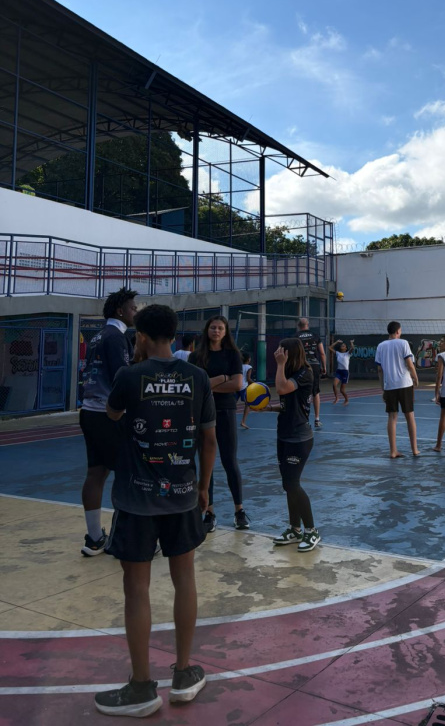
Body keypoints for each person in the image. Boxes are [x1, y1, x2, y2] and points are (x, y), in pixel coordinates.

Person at [94, 303, 216, 717]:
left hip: (135, 497)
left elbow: (111, 413)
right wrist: (202, 488)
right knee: (185, 580)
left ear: (141, 336)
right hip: (182, 494)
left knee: (137, 587)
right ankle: (183, 673)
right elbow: (209, 440)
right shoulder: (197, 378)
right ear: (174, 332)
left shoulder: (129, 375)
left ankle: (142, 686)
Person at [79, 287, 138, 557]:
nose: (135, 311)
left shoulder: (97, 336)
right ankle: (122, 539)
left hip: (88, 412)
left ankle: (94, 538)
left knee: (97, 472)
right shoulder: (117, 338)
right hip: (107, 414)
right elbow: (121, 379)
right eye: (133, 308)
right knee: (127, 474)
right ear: (120, 311)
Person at [189, 316, 247, 532]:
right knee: (207, 463)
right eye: (213, 327)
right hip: (202, 414)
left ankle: (239, 510)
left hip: (225, 411)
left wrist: (208, 386)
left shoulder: (233, 355)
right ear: (207, 330)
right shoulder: (196, 356)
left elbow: (237, 384)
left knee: (230, 460)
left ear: (225, 332)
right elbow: (192, 385)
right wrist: (221, 379)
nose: (216, 331)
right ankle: (210, 512)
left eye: (220, 328)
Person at [270, 338, 321, 552]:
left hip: (299, 438)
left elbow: (281, 389)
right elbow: (287, 403)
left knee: (292, 483)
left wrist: (280, 365)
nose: (278, 353)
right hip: (284, 435)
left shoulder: (304, 373)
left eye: (282, 351)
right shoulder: (291, 373)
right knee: (287, 484)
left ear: (291, 353)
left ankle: (312, 531)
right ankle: (295, 529)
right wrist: (267, 408)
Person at [375, 321, 420, 458]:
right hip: (405, 384)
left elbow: (379, 370)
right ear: (398, 331)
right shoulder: (403, 343)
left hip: (390, 386)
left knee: (392, 418)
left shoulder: (381, 346)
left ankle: (393, 451)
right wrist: (416, 378)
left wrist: (383, 388)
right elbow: (409, 364)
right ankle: (414, 449)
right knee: (410, 416)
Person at [296, 317, 327, 429]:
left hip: (301, 365)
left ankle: (303, 419)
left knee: (300, 391)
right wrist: (324, 367)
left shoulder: (296, 337)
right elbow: (322, 353)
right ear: (307, 325)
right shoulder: (315, 335)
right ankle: (317, 419)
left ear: (298, 326)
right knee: (315, 392)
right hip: (314, 365)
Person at [330, 338, 355, 405]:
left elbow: (352, 348)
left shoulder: (347, 354)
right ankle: (337, 398)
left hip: (345, 372)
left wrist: (351, 342)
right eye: (341, 345)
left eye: (344, 345)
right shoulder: (337, 353)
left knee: (342, 390)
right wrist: (336, 342)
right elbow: (330, 347)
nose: (342, 346)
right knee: (334, 384)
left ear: (346, 348)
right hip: (339, 371)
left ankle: (346, 400)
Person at [239, 352, 254, 428]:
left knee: (231, 404)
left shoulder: (239, 366)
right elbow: (248, 379)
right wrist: (256, 384)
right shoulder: (249, 367)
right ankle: (243, 422)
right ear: (249, 359)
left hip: (236, 386)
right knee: (248, 404)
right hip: (243, 387)